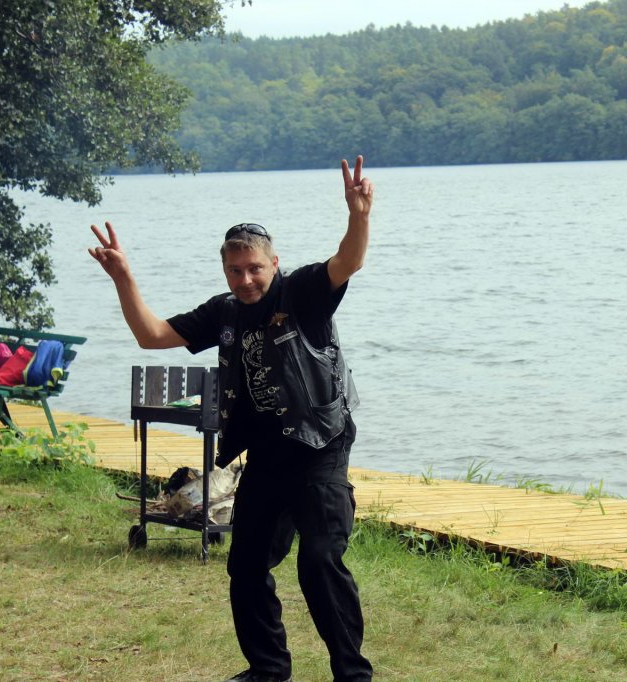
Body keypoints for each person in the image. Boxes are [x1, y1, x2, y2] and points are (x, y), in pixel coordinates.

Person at [89, 156, 375, 682]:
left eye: (255, 269)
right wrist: (123, 277)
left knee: (318, 563)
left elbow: (348, 261)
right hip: (264, 457)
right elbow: (151, 335)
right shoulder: (223, 311)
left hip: (320, 448)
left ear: (273, 263)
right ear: (225, 270)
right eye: (235, 270)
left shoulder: (304, 292)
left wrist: (358, 215)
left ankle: (352, 675)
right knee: (244, 566)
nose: (246, 279)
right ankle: (268, 670)